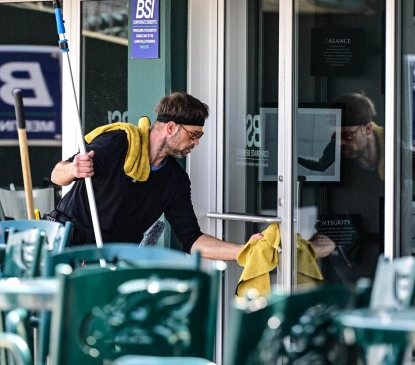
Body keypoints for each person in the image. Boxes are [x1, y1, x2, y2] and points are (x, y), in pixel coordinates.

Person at [45, 92, 259, 260]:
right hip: (66, 246)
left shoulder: (175, 181)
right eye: (194, 135)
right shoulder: (118, 143)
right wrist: (73, 169)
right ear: (171, 127)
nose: (196, 143)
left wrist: (244, 251)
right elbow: (57, 175)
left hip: (111, 260)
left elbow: (192, 239)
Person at [300, 92, 415, 283]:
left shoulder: (392, 151)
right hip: (350, 257)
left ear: (368, 129)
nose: (340, 142)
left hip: (393, 251)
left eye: (348, 135)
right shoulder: (336, 150)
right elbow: (331, 223)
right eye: (336, 135)